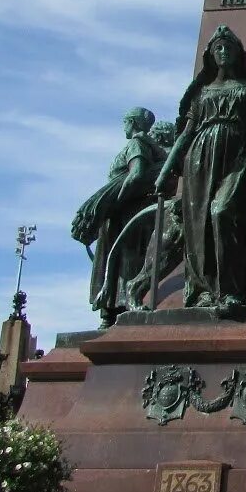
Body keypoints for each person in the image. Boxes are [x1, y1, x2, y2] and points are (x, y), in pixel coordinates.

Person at [157, 27, 246, 312]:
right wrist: (167, 168)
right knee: (200, 222)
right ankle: (204, 291)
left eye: (228, 47)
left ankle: (233, 289)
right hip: (200, 157)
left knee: (223, 211)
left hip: (237, 156)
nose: (223, 52)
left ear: (239, 53)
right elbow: (186, 132)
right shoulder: (202, 92)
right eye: (218, 47)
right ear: (210, 54)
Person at [73, 106, 167, 327]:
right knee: (116, 260)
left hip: (124, 212)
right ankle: (113, 309)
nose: (123, 125)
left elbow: (136, 174)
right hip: (125, 212)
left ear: (133, 122)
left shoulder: (136, 144)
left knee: (119, 260)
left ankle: (115, 310)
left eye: (125, 121)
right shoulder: (143, 144)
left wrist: (115, 201)